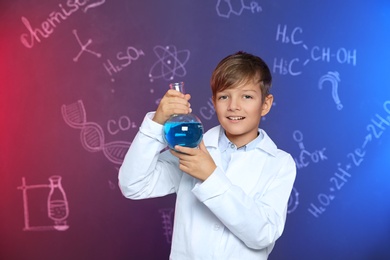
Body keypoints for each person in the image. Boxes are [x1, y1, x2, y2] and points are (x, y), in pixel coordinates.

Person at [118, 51, 296, 260]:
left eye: (247, 96)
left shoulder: (280, 163)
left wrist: (211, 176)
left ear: (265, 104)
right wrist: (156, 123)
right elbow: (133, 185)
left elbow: (263, 234)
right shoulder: (191, 148)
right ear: (213, 102)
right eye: (224, 96)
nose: (233, 106)